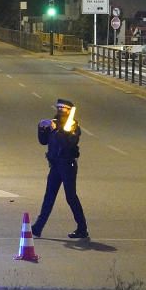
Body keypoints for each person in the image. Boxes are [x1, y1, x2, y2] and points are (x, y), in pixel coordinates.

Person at [31, 98, 88, 239]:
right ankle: (38, 227)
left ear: (69, 111)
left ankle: (82, 228)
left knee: (71, 197)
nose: (60, 110)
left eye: (63, 108)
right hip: (55, 165)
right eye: (59, 108)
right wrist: (41, 128)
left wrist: (57, 130)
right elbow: (43, 141)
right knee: (49, 197)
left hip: (68, 165)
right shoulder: (54, 123)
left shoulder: (73, 126)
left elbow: (68, 144)